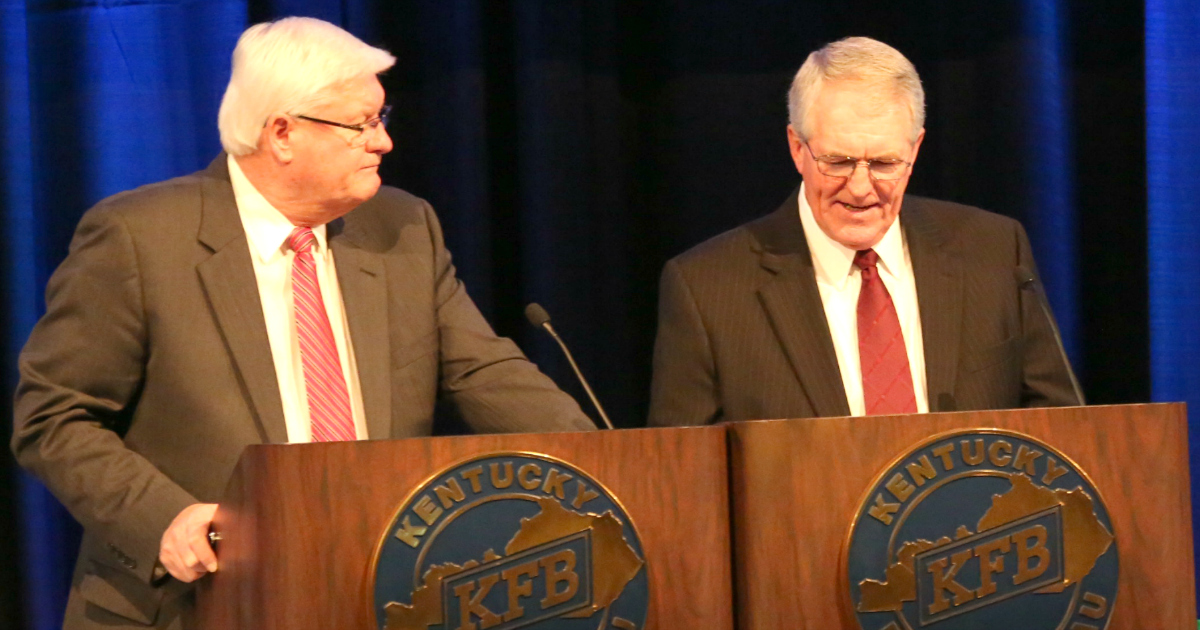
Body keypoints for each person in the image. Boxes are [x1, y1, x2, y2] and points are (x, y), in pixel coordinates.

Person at [11, 17, 592, 629]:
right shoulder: (140, 238)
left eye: (380, 118)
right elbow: (54, 416)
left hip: (370, 591)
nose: (383, 143)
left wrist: (608, 465)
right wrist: (162, 517)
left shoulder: (404, 228)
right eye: (361, 124)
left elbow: (487, 374)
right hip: (194, 604)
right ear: (282, 133)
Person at [648, 36, 1080, 427]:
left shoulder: (995, 252)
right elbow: (683, 478)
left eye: (884, 164)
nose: (859, 188)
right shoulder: (707, 289)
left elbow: (1061, 428)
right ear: (797, 148)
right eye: (837, 162)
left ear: (915, 150)